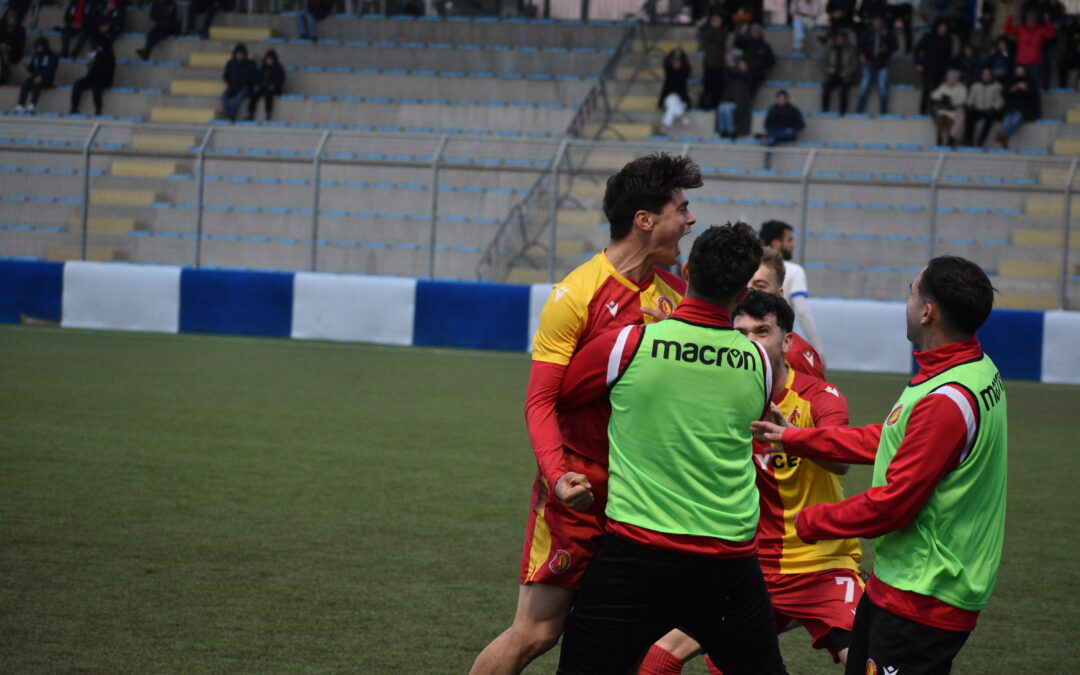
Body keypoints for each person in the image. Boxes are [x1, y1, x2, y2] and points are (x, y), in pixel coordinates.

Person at [469, 154, 703, 675]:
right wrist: (558, 476)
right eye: (681, 209)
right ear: (645, 219)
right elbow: (540, 400)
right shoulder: (576, 295)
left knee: (641, 633)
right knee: (537, 632)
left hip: (646, 495)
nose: (691, 220)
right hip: (579, 488)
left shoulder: (680, 297)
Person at [752, 255, 1007, 675]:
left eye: (911, 293)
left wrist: (812, 522)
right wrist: (795, 437)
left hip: (926, 592)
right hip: (900, 582)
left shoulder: (947, 398)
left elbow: (894, 504)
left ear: (927, 312)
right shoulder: (972, 368)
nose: (905, 302)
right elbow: (890, 438)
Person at [553, 224, 787, 675]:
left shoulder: (630, 343)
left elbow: (560, 395)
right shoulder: (757, 360)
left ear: (686, 270)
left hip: (636, 553)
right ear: (741, 293)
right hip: (727, 562)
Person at [640, 290, 860, 675]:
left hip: (823, 565)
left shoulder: (819, 397)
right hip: (750, 568)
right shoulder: (720, 398)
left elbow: (842, 460)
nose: (751, 342)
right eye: (741, 333)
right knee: (659, 659)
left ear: (787, 341)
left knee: (869, 663)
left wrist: (791, 435)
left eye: (762, 332)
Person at [750, 247, 825, 379]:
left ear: (779, 295)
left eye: (760, 286)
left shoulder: (796, 353)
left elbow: (818, 398)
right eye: (745, 285)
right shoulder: (725, 341)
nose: (750, 292)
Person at [759, 220, 822, 354]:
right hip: (777, 344)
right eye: (789, 240)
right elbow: (802, 312)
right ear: (776, 243)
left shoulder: (750, 267)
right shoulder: (794, 271)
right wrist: (817, 350)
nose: (793, 245)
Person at [1004, 10, 1055, 95]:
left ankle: (1033, 105)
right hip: (1020, 63)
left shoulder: (1040, 30)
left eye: (1033, 20)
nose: (1030, 22)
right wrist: (1010, 17)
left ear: (1036, 21)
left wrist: (1047, 21)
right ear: (1026, 20)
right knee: (1018, 84)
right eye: (1029, 20)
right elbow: (1007, 29)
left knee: (1033, 85)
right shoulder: (1020, 29)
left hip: (1034, 64)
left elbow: (1051, 34)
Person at [69, 23, 115, 116]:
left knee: (96, 88)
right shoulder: (95, 53)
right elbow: (90, 69)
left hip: (103, 79)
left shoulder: (109, 55)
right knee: (78, 84)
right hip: (92, 77)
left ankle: (98, 109)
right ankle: (74, 107)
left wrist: (96, 64)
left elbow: (108, 70)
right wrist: (90, 64)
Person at [856, 15, 898, 114]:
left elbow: (895, 46)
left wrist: (887, 48)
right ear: (873, 21)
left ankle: (884, 112)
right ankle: (859, 110)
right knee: (864, 86)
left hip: (883, 63)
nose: (878, 22)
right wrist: (861, 54)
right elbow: (860, 45)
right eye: (876, 19)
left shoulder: (888, 33)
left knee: (883, 88)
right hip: (868, 62)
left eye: (879, 20)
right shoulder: (867, 32)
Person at [914, 20, 957, 115]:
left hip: (940, 70)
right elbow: (917, 49)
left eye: (944, 28)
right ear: (937, 27)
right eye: (941, 28)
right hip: (928, 68)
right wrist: (918, 63)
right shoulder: (929, 37)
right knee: (926, 90)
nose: (942, 30)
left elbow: (948, 55)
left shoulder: (948, 39)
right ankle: (922, 112)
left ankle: (933, 112)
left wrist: (946, 69)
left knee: (937, 92)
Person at [996, 64, 1039, 148]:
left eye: (1021, 70)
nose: (1019, 71)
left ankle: (1003, 135)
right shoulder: (1011, 80)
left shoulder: (1029, 81)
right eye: (1018, 70)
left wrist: (1026, 89)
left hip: (1022, 108)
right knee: (1007, 121)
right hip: (1010, 107)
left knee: (1015, 119)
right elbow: (1004, 93)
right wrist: (1012, 89)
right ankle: (1004, 137)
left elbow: (1033, 95)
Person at [819, 29, 858, 115]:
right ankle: (825, 111)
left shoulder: (850, 48)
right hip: (832, 75)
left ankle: (842, 112)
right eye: (838, 38)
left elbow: (854, 64)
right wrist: (828, 69)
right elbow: (822, 62)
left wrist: (846, 72)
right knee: (826, 88)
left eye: (841, 38)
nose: (840, 40)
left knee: (843, 90)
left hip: (845, 76)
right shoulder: (829, 48)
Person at [14, 37, 58, 113]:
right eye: (37, 47)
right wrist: (28, 67)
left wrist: (42, 76)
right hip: (35, 76)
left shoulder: (52, 56)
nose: (39, 48)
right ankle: (20, 105)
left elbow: (51, 70)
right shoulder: (36, 55)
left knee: (38, 83)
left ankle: (32, 105)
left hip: (47, 78)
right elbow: (33, 68)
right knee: (26, 83)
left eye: (40, 46)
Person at [963, 66, 1003, 146]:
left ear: (991, 75)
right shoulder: (975, 85)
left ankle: (980, 141)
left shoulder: (997, 86)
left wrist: (994, 108)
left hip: (989, 110)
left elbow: (1000, 100)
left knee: (989, 121)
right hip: (978, 109)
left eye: (988, 74)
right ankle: (969, 141)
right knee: (969, 118)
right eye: (984, 74)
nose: (986, 76)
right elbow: (970, 98)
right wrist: (970, 106)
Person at [715, 55, 753, 138]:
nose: (741, 67)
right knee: (721, 107)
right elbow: (729, 73)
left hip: (741, 103)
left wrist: (731, 64)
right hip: (731, 101)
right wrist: (729, 63)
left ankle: (731, 131)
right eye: (740, 65)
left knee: (728, 109)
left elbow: (738, 73)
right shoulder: (734, 77)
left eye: (743, 65)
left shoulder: (747, 76)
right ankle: (723, 130)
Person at [697, 11, 727, 109]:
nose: (716, 21)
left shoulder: (723, 30)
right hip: (709, 63)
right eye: (714, 19)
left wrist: (716, 29)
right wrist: (712, 28)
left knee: (718, 86)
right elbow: (705, 41)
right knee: (708, 86)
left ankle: (716, 103)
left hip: (719, 63)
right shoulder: (707, 30)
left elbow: (720, 39)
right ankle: (706, 104)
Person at [929, 69, 967, 146]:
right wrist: (942, 98)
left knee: (960, 118)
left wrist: (951, 100)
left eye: (952, 78)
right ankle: (939, 137)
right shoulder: (943, 86)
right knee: (940, 116)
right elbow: (933, 95)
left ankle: (951, 138)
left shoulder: (962, 87)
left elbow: (962, 99)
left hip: (956, 109)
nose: (950, 80)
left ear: (956, 79)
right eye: (949, 78)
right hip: (944, 109)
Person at [658, 47, 691, 133]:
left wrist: (682, 52)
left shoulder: (683, 74)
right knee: (673, 98)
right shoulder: (670, 72)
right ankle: (682, 116)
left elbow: (687, 66)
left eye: (679, 63)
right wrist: (673, 51)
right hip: (668, 98)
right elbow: (665, 62)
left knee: (672, 107)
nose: (677, 64)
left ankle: (665, 125)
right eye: (675, 62)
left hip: (681, 101)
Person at [734, 23, 775, 94]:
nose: (755, 32)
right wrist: (742, 31)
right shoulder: (747, 42)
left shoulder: (765, 46)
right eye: (753, 30)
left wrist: (761, 66)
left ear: (760, 32)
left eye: (757, 31)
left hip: (757, 74)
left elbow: (771, 61)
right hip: (745, 72)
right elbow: (737, 43)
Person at [221, 42, 256, 122]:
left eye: (241, 54)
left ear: (244, 54)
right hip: (233, 86)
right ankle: (230, 114)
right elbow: (226, 76)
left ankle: (231, 114)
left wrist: (248, 83)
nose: (239, 55)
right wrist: (230, 83)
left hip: (245, 87)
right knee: (223, 96)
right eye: (238, 54)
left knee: (239, 97)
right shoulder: (230, 63)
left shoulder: (250, 64)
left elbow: (255, 76)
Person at [246, 49, 285, 121]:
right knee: (254, 93)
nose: (269, 61)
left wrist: (274, 86)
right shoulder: (263, 67)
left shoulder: (278, 68)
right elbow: (257, 78)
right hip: (263, 87)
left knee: (268, 94)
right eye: (267, 59)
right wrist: (256, 85)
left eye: (270, 59)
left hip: (273, 88)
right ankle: (250, 113)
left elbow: (280, 80)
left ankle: (268, 113)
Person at [0, 9, 26, 85]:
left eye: (14, 17)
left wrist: (9, 47)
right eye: (10, 17)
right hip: (1, 51)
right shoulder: (1, 28)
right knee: (2, 50)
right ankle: (5, 69)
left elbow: (20, 45)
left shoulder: (21, 30)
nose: (12, 19)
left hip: (14, 53)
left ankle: (5, 70)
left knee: (3, 51)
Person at [1058, 14, 1080, 89]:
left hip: (1074, 55)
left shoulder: (1075, 28)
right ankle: (1064, 87)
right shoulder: (1065, 28)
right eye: (1067, 19)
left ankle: (1069, 86)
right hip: (1068, 54)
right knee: (1064, 69)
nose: (1068, 21)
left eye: (1070, 19)